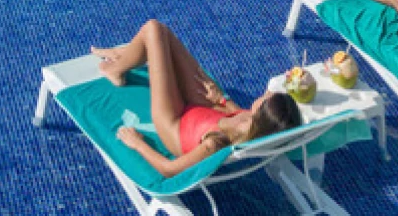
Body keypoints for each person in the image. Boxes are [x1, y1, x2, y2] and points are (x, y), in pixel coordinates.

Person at [91, 19, 303, 178]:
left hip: (175, 124)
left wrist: (137, 144)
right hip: (204, 111)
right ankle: (128, 54)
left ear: (262, 113)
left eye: (266, 97)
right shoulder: (254, 125)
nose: (265, 93)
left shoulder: (215, 144)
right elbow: (235, 114)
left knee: (153, 29)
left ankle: (118, 68)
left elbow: (169, 170)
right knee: (162, 33)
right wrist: (222, 100)